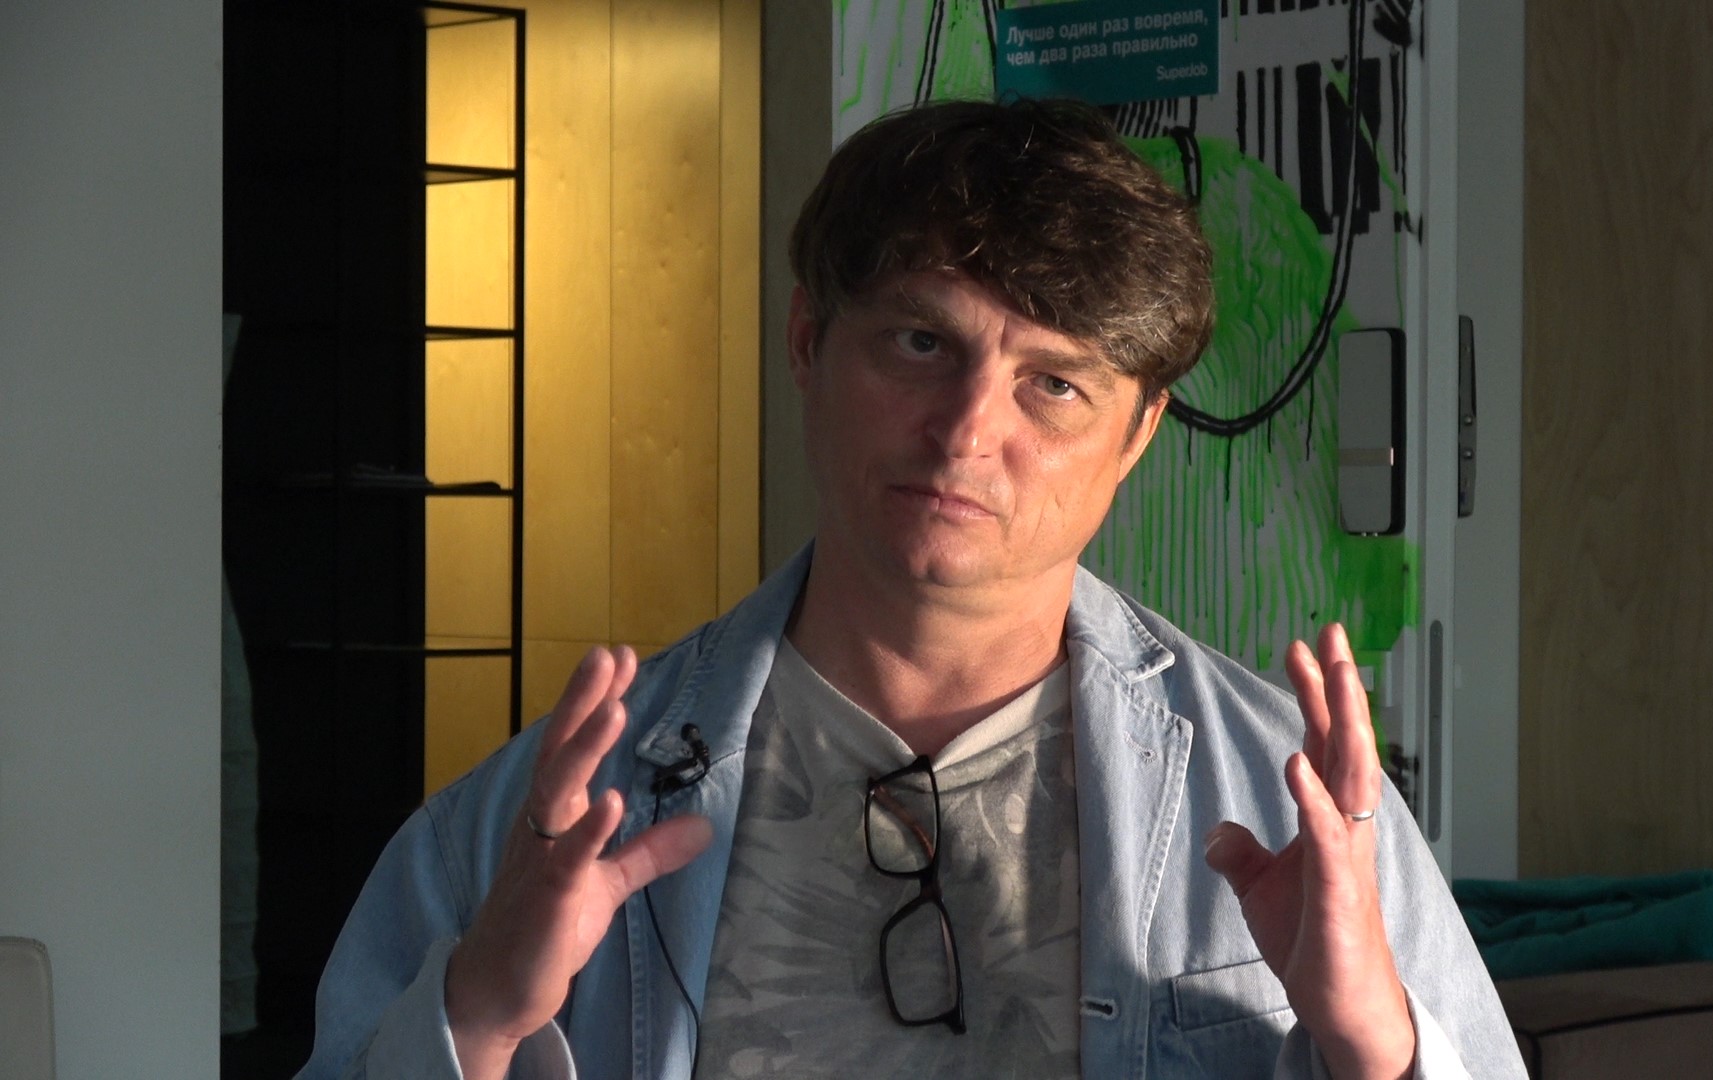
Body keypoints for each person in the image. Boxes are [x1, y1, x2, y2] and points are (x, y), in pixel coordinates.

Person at [297, 98, 1525, 1080]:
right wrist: (475, 1018)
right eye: (922, 343)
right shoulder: (545, 820)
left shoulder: (1284, 799)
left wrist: (1378, 1050)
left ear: (1139, 431)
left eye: (1055, 384)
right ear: (807, 342)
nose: (967, 431)